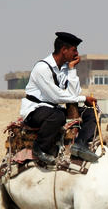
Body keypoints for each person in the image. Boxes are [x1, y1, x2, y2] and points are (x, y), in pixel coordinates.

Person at [19, 31, 98, 165]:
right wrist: (83, 99)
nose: (76, 54)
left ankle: (80, 145)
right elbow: (56, 96)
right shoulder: (42, 68)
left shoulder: (66, 69)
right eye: (74, 50)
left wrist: (72, 69)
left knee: (92, 112)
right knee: (57, 116)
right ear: (63, 50)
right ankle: (40, 148)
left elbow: (73, 94)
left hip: (53, 108)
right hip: (36, 110)